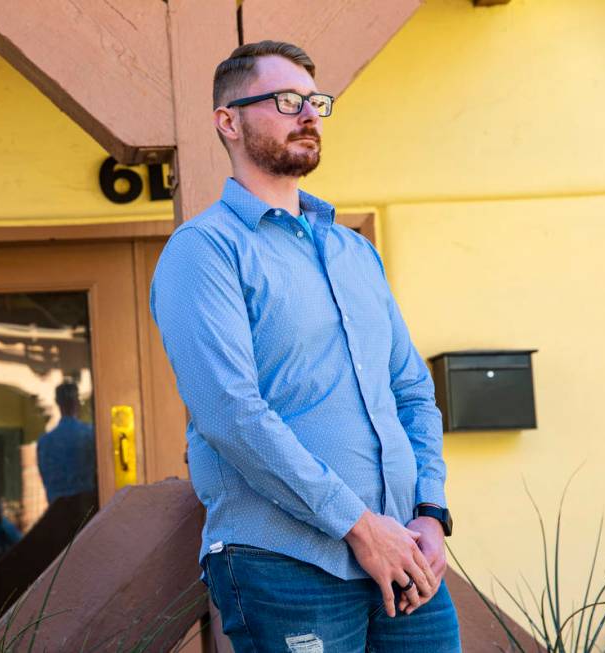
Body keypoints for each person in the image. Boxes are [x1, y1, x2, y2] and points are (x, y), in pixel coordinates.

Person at [149, 41, 460, 652]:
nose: (309, 114)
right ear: (228, 120)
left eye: (316, 101)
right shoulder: (206, 251)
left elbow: (411, 391)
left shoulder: (354, 252)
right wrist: (357, 526)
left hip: (405, 554)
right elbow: (230, 415)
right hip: (285, 562)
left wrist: (429, 511)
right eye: (287, 100)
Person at [35, 381, 97, 504]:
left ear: (57, 402)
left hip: (58, 511)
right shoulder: (90, 434)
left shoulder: (45, 442)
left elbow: (47, 481)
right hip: (86, 508)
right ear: (77, 402)